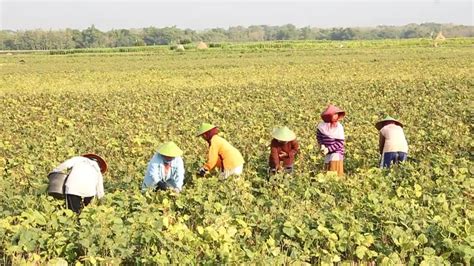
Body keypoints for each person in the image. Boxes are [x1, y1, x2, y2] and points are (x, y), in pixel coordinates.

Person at [316, 105, 345, 176]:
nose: (336, 115)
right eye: (334, 114)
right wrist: (322, 145)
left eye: (337, 114)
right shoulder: (322, 126)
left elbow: (340, 143)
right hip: (327, 152)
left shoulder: (339, 127)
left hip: (336, 152)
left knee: (334, 169)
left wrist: (328, 149)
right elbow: (319, 137)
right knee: (327, 169)